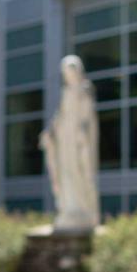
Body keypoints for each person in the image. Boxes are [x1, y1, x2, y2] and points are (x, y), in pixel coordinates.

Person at [39, 54, 100, 231]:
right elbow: (60, 116)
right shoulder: (66, 92)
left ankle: (82, 210)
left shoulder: (84, 89)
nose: (68, 75)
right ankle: (69, 208)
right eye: (65, 72)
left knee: (79, 173)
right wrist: (49, 133)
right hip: (65, 140)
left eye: (70, 71)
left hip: (77, 141)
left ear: (77, 71)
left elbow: (87, 116)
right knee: (66, 173)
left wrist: (82, 132)